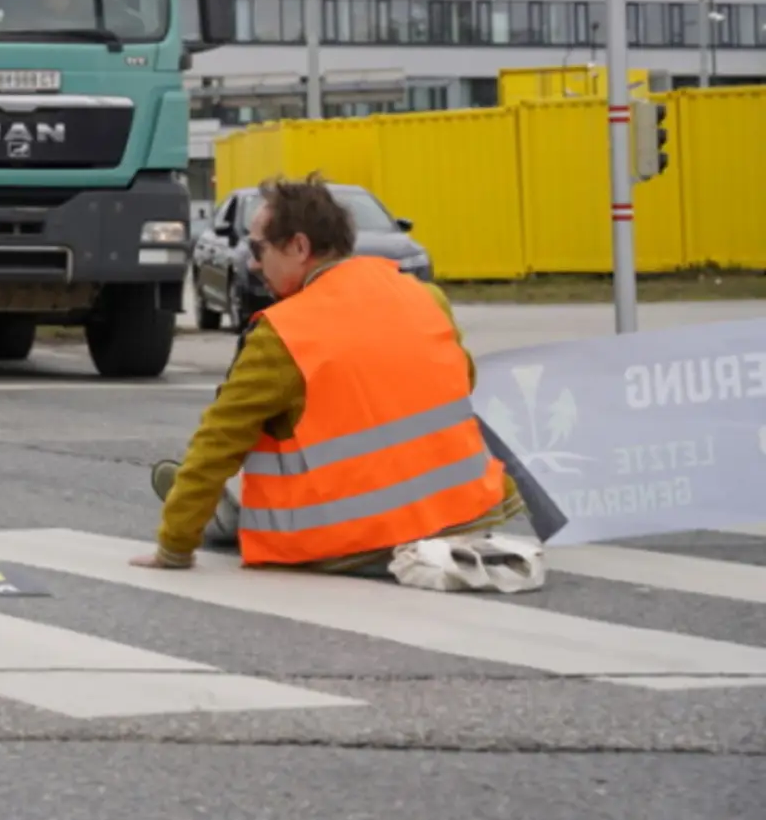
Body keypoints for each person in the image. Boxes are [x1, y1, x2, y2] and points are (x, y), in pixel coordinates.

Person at [136, 173, 521, 573]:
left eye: (258, 247)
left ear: (299, 247)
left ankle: (218, 512)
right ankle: (220, 508)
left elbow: (217, 445)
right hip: (468, 516)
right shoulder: (424, 295)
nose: (252, 262)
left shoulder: (284, 334)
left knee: (253, 470)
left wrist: (173, 548)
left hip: (359, 541)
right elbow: (463, 380)